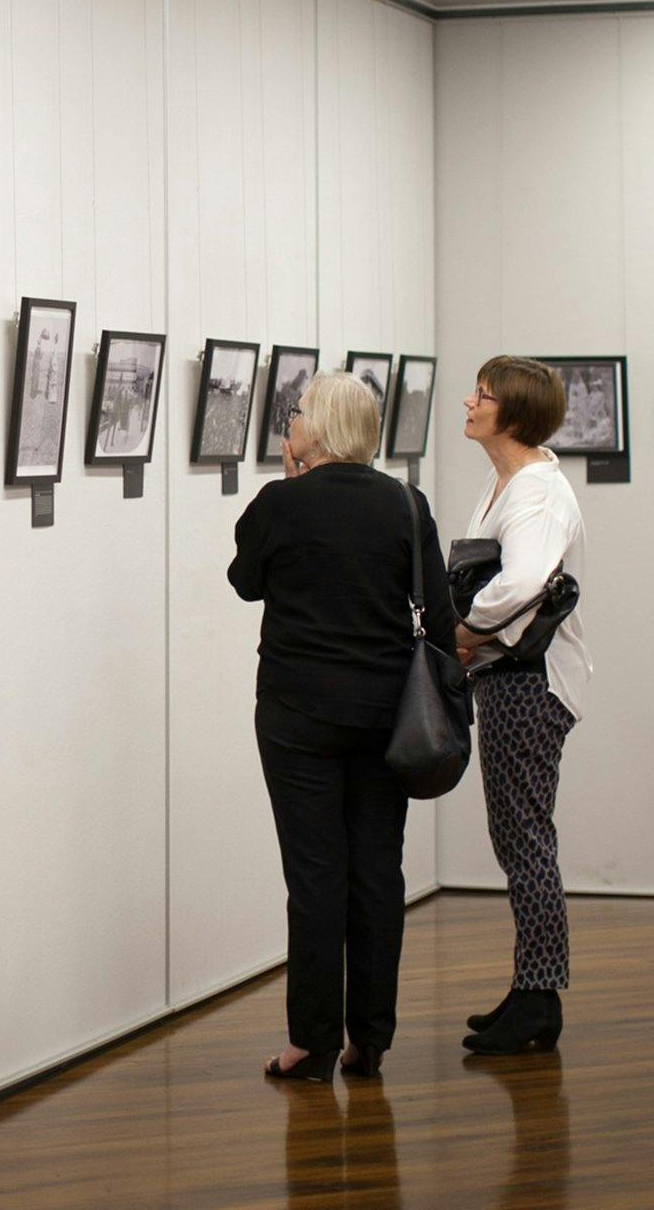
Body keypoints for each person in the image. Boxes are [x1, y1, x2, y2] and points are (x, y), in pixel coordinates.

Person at [227, 371, 454, 1084]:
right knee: (377, 872)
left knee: (316, 876)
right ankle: (371, 1039)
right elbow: (440, 620)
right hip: (387, 718)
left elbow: (245, 580)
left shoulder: (281, 504)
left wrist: (289, 485)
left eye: (293, 416)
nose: (286, 426)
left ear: (315, 430)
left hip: (297, 716)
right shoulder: (407, 506)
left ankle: (311, 1041)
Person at [453, 357, 593, 1056]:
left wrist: (463, 630)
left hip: (527, 685)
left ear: (513, 413)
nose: (469, 402)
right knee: (518, 837)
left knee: (525, 839)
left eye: (483, 395)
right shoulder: (506, 482)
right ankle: (530, 989)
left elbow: (524, 582)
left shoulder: (536, 490)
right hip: (509, 679)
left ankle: (540, 1000)